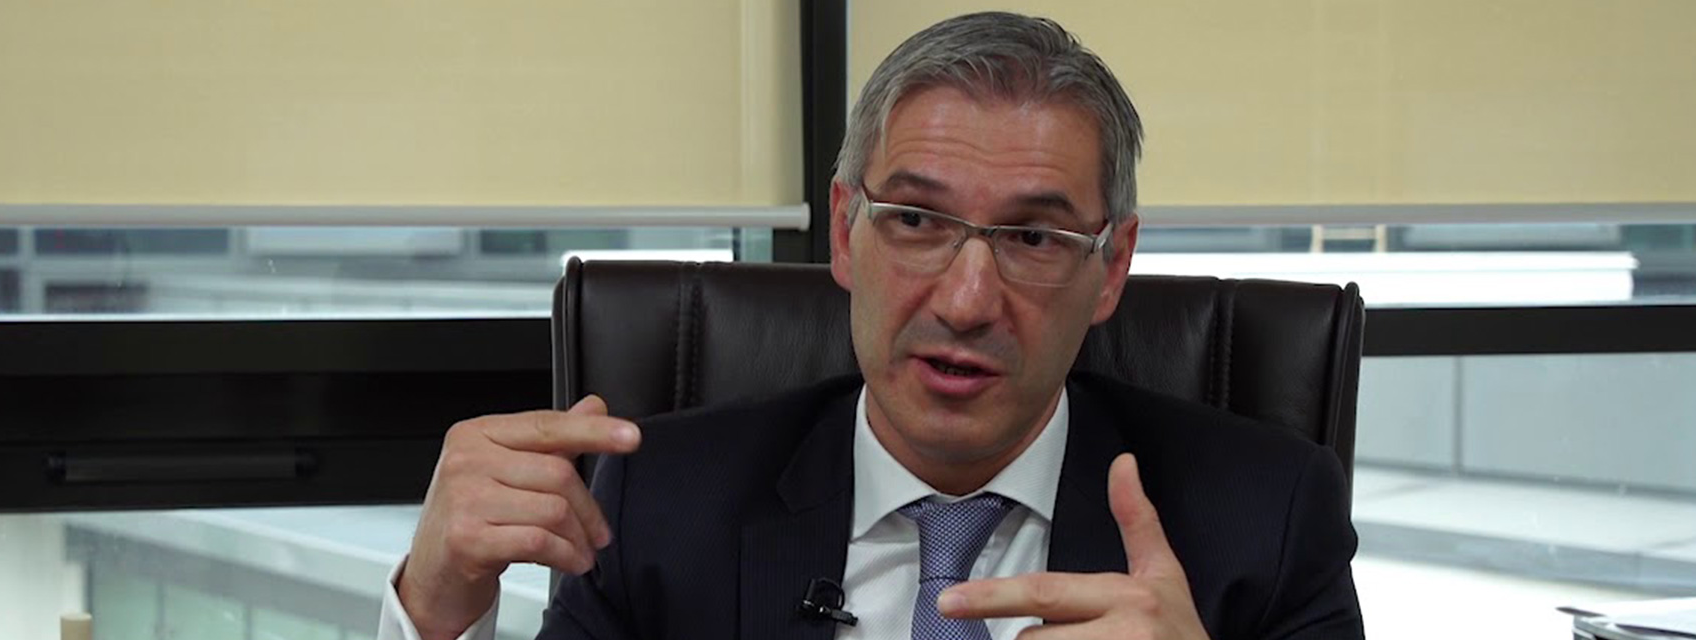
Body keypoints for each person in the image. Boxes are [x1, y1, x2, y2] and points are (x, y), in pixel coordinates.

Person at [380, 11, 1363, 640]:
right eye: (918, 221)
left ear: (1111, 267)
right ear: (846, 232)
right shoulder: (660, 504)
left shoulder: (1267, 517)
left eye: (1032, 236)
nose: (967, 300)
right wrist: (434, 608)